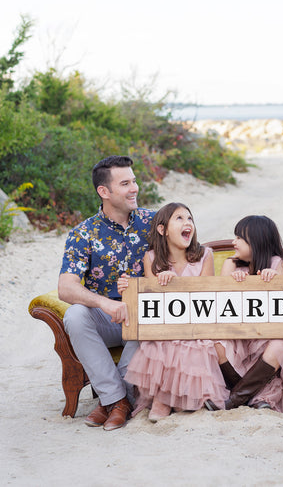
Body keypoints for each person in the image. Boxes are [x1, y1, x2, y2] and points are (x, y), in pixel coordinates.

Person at [58, 155, 155, 431]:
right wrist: (104, 304)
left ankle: (111, 402)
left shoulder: (154, 222)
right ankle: (119, 400)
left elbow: (187, 256)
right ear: (104, 191)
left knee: (151, 317)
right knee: (75, 316)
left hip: (145, 318)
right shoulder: (83, 234)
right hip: (108, 319)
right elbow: (65, 287)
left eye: (134, 181)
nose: (134, 188)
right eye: (125, 184)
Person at [118, 202, 229, 421]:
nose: (187, 223)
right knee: (161, 343)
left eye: (190, 219)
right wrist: (131, 287)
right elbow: (153, 303)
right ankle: (168, 399)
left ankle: (167, 400)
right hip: (166, 324)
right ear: (163, 230)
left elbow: (206, 295)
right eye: (179, 218)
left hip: (197, 321)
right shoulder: (151, 258)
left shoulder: (204, 255)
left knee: (192, 344)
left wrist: (177, 282)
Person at [206, 215, 283, 413]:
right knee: (215, 342)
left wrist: (274, 280)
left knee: (282, 344)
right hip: (236, 332)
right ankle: (251, 395)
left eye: (239, 238)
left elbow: (280, 306)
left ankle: (234, 399)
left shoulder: (277, 263)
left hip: (264, 333)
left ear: (257, 241)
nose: (234, 242)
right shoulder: (231, 264)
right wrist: (233, 282)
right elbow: (220, 302)